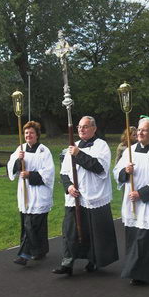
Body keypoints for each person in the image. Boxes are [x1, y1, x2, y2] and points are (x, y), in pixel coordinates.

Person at [53, 116, 119, 276]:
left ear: (94, 128)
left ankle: (93, 260)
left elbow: (99, 167)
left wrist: (79, 154)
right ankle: (67, 262)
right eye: (79, 127)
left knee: (93, 231)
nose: (81, 129)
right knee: (70, 229)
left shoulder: (101, 146)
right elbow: (64, 172)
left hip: (94, 197)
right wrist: (68, 186)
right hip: (75, 197)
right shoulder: (73, 146)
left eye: (85, 126)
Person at [114, 117, 149, 285]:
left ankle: (141, 273)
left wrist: (140, 194)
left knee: (145, 237)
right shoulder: (129, 151)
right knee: (134, 236)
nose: (140, 133)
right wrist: (125, 171)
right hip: (131, 202)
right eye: (138, 130)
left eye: (144, 130)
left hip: (148, 203)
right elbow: (116, 172)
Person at [7, 121, 54, 266]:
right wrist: (18, 160)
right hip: (25, 192)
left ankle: (24, 254)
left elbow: (48, 173)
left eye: (31, 133)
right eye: (26, 133)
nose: (28, 135)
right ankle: (40, 250)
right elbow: (11, 168)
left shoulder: (43, 151)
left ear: (37, 135)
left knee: (33, 223)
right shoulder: (20, 149)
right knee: (27, 222)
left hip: (39, 192)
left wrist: (30, 175)